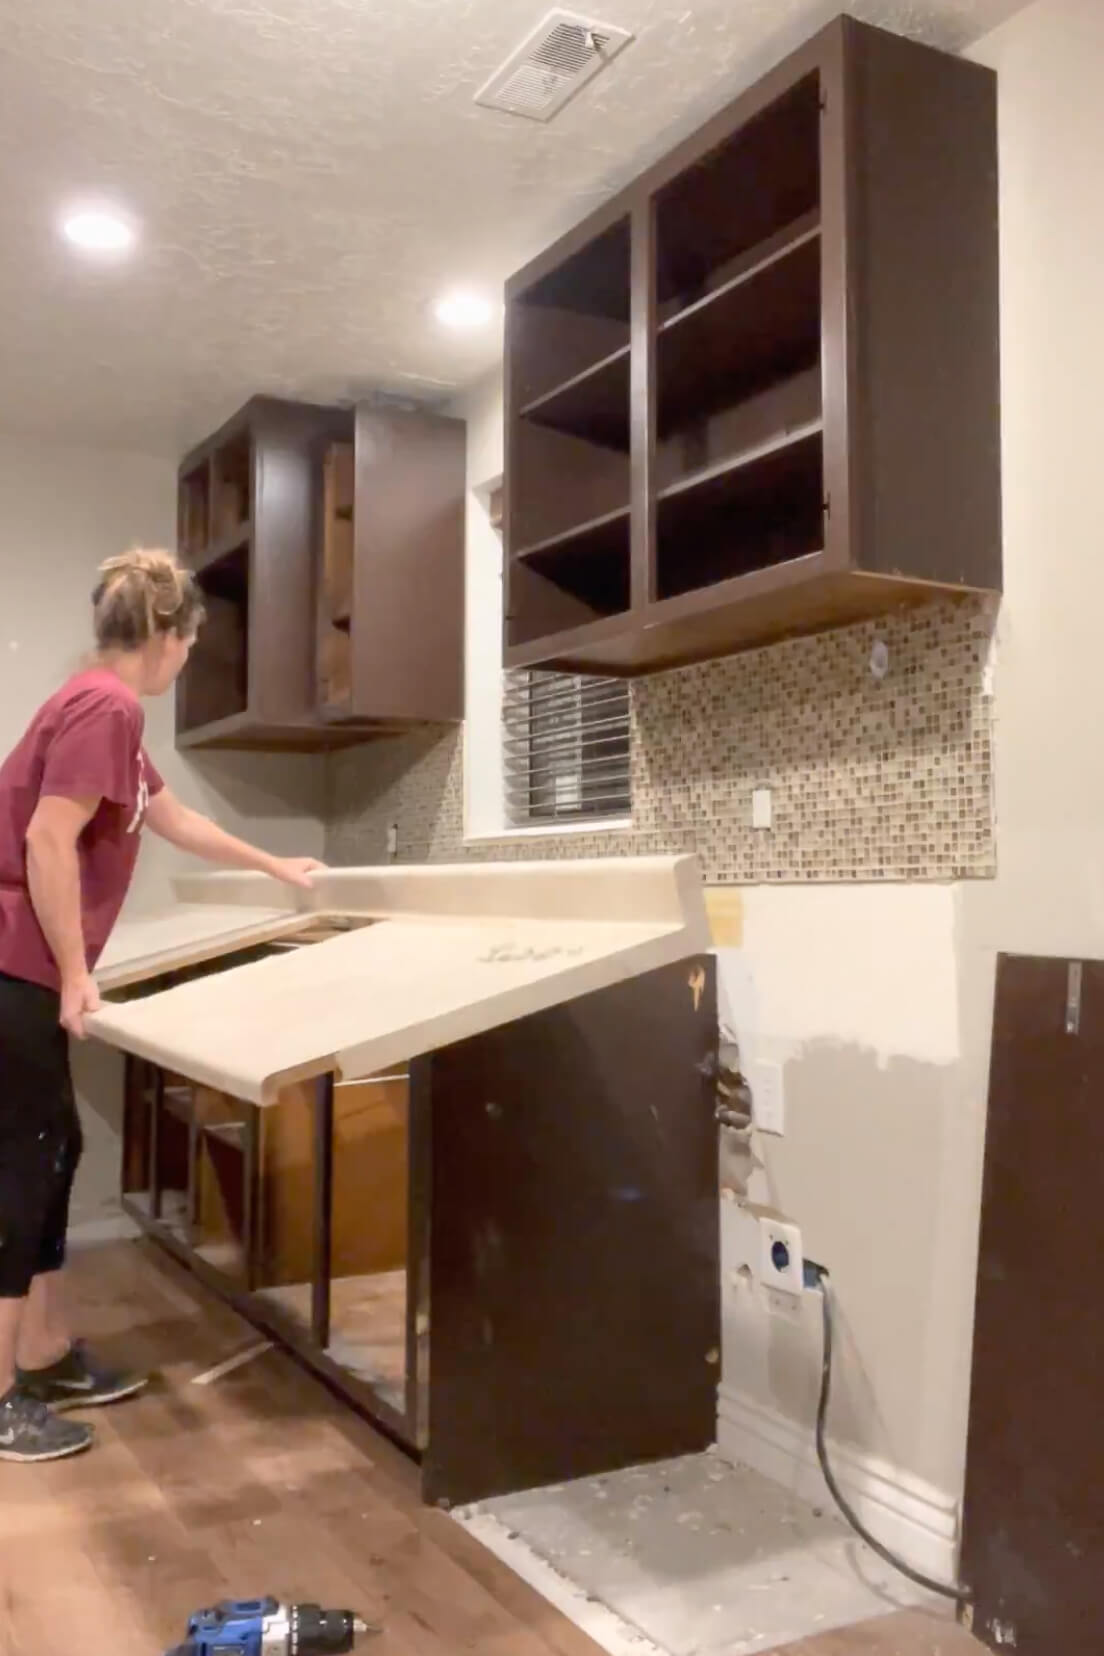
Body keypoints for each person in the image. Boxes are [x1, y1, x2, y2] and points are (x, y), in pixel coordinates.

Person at [0, 548, 323, 1463]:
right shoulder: (107, 705)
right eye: (188, 642)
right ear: (168, 638)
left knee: (57, 1148)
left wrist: (274, 867)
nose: (187, 658)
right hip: (14, 964)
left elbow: (172, 819)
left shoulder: (103, 709)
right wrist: (72, 972)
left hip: (23, 965)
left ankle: (45, 1351)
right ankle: (3, 1391)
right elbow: (47, 841)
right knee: (23, 1167)